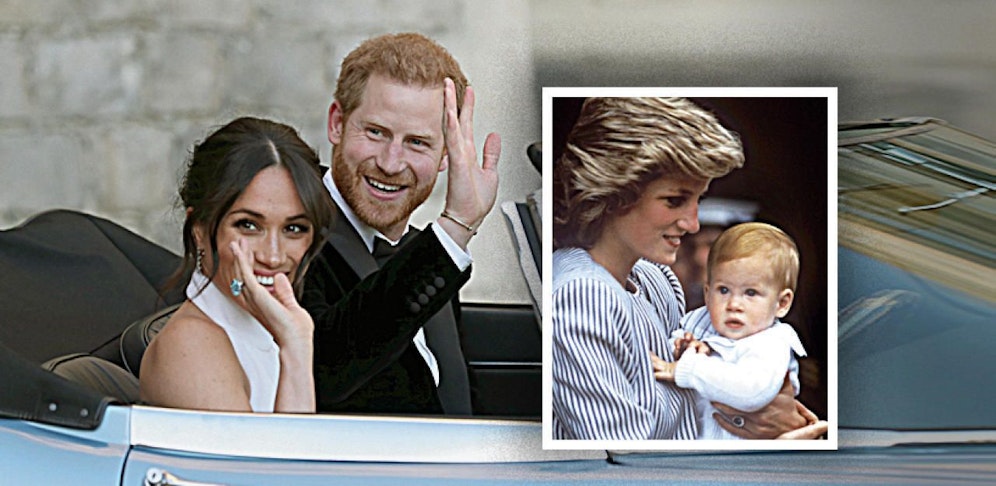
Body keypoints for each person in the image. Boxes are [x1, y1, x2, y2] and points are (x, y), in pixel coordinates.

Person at [551, 96, 826, 441]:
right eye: (674, 201)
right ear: (614, 193)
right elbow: (626, 464)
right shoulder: (579, 296)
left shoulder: (656, 278)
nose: (693, 223)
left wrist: (768, 424)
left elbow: (693, 411)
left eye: (699, 201)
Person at [301, 32, 500, 415]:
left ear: (446, 156)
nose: (391, 163)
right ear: (337, 124)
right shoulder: (291, 232)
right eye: (376, 133)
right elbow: (323, 370)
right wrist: (456, 227)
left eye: (418, 143)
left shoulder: (425, 252)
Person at [140, 117, 334, 413]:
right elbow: (282, 461)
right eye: (248, 225)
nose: (273, 256)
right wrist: (295, 348)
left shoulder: (269, 331)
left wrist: (295, 342)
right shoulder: (191, 344)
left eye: (294, 229)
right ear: (200, 231)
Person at [653, 222, 808, 440]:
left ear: (781, 303)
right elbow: (670, 349)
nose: (734, 304)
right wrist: (682, 347)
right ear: (707, 294)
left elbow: (751, 391)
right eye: (723, 290)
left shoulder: (773, 343)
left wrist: (686, 369)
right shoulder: (702, 321)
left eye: (751, 293)